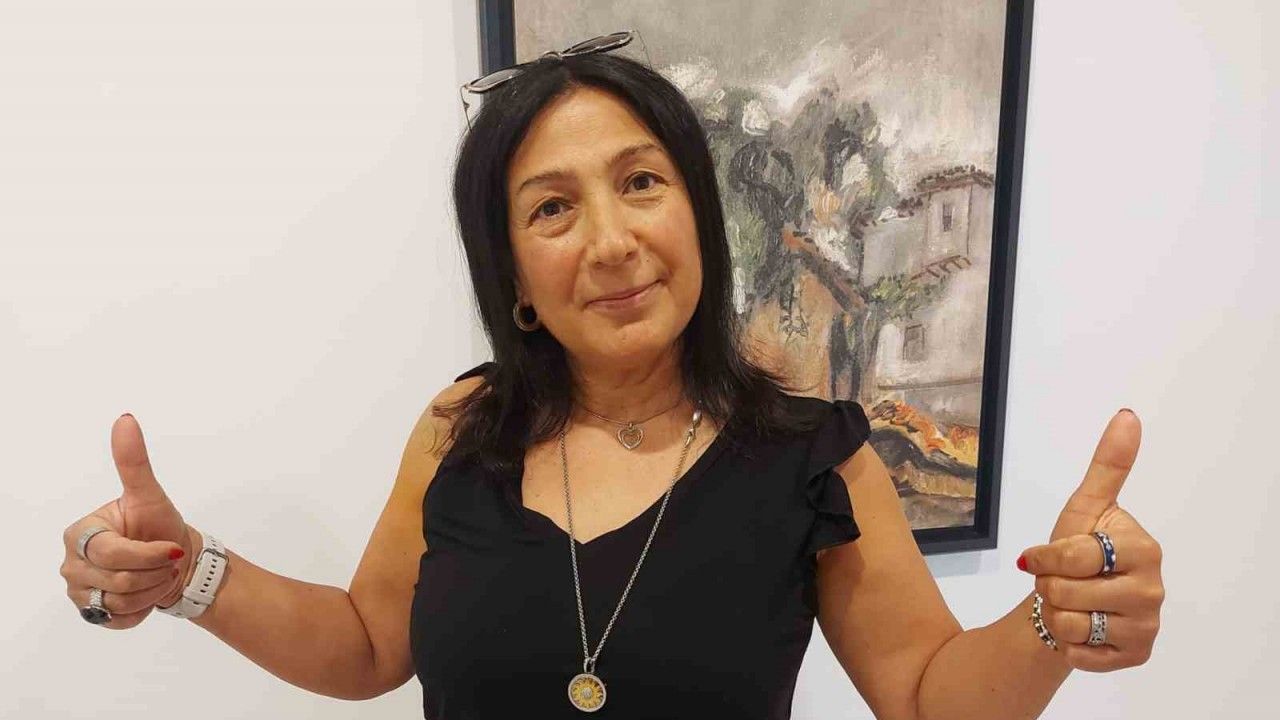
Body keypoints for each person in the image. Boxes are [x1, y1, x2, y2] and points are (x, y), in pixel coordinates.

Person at [60, 34, 1165, 719]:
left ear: (698, 215)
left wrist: (1052, 622)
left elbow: (926, 699)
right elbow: (366, 644)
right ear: (513, 276)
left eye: (641, 182)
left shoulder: (811, 457)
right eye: (552, 207)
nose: (611, 241)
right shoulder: (461, 428)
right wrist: (186, 572)